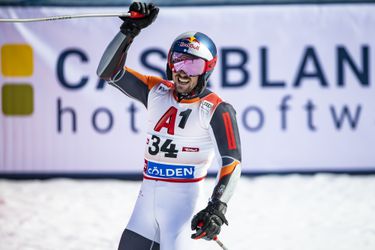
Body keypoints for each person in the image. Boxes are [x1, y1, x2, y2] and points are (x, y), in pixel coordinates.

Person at [97, 2, 241, 250]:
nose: (183, 72)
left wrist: (217, 207)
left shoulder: (218, 109)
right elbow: (107, 72)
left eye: (193, 65)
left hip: (179, 221)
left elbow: (232, 163)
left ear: (207, 70)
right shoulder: (156, 90)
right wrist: (129, 31)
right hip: (142, 215)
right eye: (179, 61)